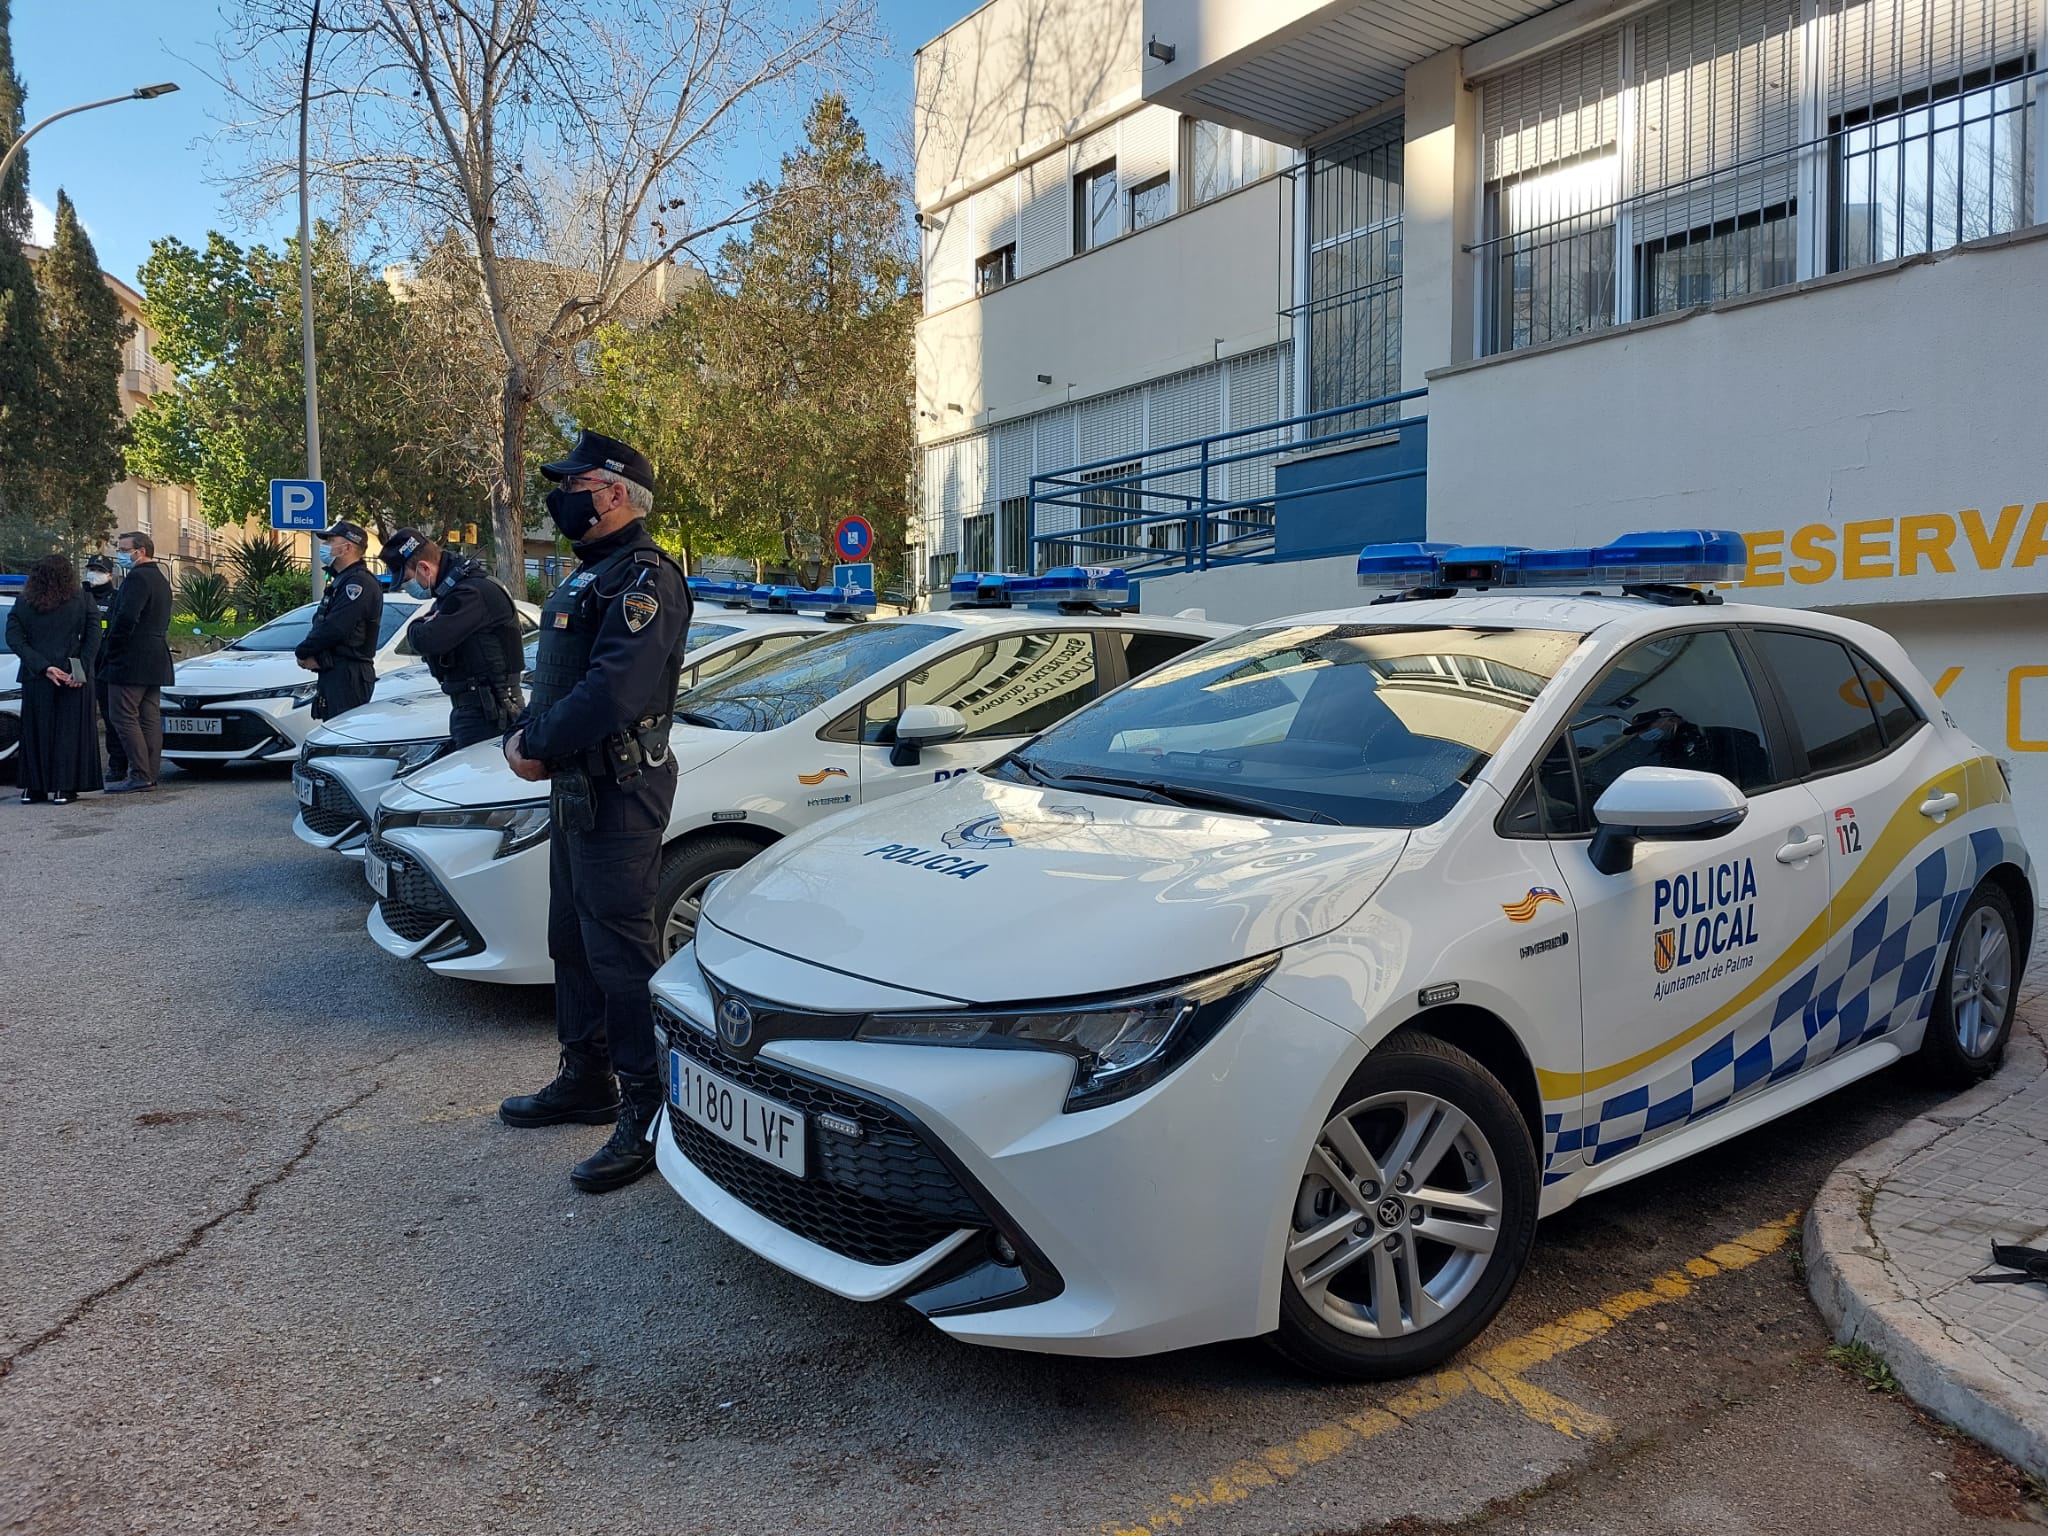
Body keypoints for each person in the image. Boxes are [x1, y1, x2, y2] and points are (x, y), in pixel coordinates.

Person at [497, 429, 692, 1193]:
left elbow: (615, 690)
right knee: (571, 941)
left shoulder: (643, 578)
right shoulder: (596, 574)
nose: (564, 494)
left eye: (575, 483)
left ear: (613, 492)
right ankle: (587, 1079)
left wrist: (534, 742)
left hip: (619, 788)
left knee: (620, 956)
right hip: (578, 787)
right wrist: (533, 738)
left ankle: (647, 1111)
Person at [377, 528, 526, 749]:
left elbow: (427, 640)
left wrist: (416, 625)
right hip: (482, 707)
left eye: (407, 579)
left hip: (490, 712)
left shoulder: (470, 593)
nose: (407, 587)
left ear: (424, 568)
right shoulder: (459, 590)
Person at [6, 554, 103, 805]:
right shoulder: (83, 599)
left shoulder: (24, 602)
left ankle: (33, 787)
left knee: (36, 731)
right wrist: (80, 670)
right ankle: (64, 787)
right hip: (73, 672)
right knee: (70, 732)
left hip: (37, 676)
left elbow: (15, 639)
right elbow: (93, 637)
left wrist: (43, 667)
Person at [101, 530, 174, 794]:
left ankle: (140, 774)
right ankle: (149, 773)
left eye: (123, 549)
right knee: (149, 716)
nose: (119, 554)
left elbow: (125, 618)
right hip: (154, 655)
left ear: (140, 551)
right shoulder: (160, 579)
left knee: (123, 715)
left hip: (131, 658)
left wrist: (112, 648)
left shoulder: (137, 579)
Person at [294, 521, 384, 722]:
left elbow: (336, 627)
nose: (325, 546)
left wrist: (303, 651)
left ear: (347, 547)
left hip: (349, 675)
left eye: (331, 541)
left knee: (343, 738)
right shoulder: (342, 580)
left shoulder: (358, 583)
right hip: (335, 673)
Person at [83, 554, 125, 783]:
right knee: (80, 718)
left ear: (109, 574)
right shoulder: (79, 596)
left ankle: (117, 765)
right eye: (91, 568)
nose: (93, 573)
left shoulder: (117, 598)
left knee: (111, 718)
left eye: (98, 569)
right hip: (80, 665)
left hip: (106, 666)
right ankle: (83, 766)